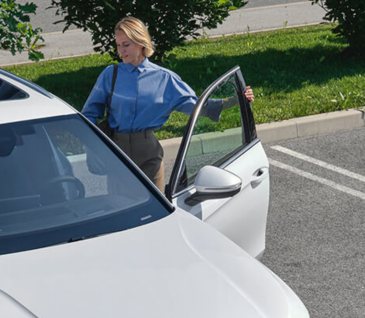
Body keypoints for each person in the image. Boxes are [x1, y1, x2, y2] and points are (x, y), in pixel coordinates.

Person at [82, 16, 254, 192]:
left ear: (141, 43)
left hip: (148, 153)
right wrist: (92, 142)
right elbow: (89, 113)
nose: (121, 50)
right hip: (117, 151)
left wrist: (236, 99)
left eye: (126, 44)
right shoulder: (110, 75)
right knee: (120, 206)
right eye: (118, 45)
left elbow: (197, 107)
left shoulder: (165, 79)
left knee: (154, 208)